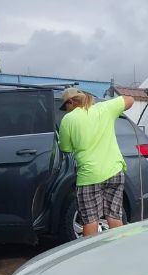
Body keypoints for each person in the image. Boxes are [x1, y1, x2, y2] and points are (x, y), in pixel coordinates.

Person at [58, 87, 135, 236]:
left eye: (66, 106)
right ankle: (118, 250)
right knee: (114, 216)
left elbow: (65, 148)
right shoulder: (104, 108)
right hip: (114, 172)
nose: (66, 110)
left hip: (89, 176)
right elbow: (130, 100)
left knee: (90, 220)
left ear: (71, 102)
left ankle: (91, 257)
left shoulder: (68, 120)